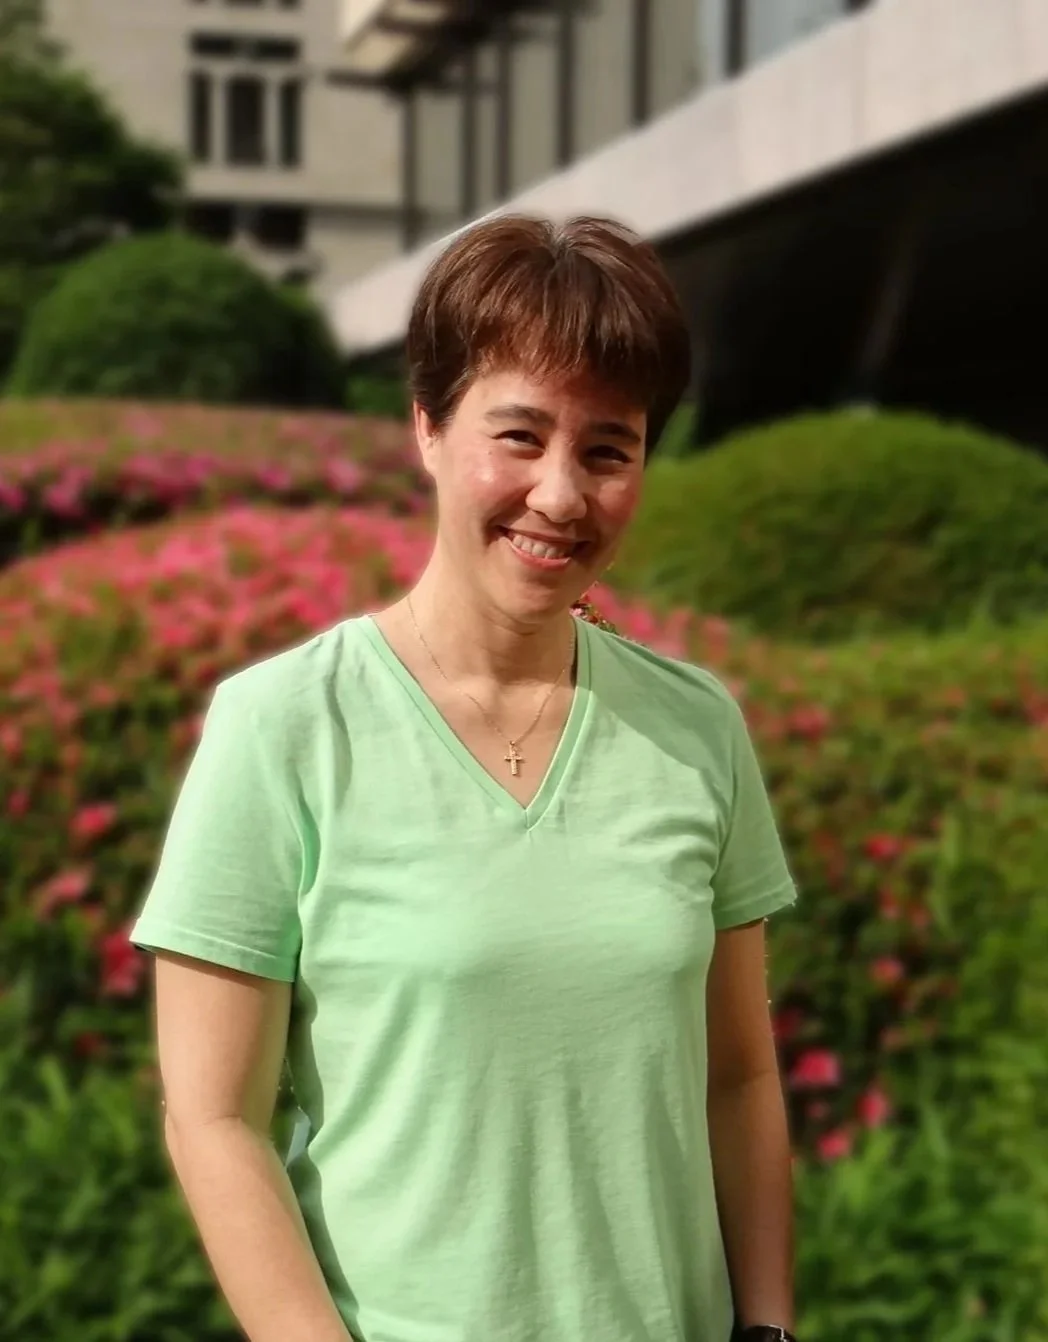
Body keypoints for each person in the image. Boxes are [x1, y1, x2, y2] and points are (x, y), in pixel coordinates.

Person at [130, 213, 800, 1342]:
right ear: (429, 429)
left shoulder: (696, 728)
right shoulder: (285, 727)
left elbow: (736, 1077)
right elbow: (212, 1119)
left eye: (607, 448)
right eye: (519, 435)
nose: (559, 495)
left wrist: (769, 1327)